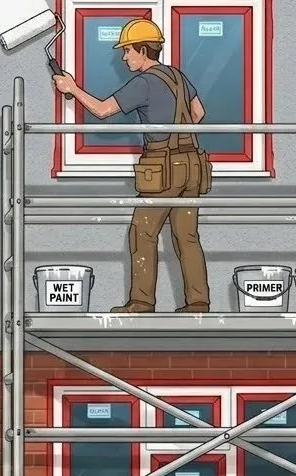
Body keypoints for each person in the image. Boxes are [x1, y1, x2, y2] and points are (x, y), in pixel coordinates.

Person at [52, 19, 211, 314]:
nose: (124, 58)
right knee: (187, 236)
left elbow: (102, 110)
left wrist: (72, 88)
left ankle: (140, 302)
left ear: (143, 50)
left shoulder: (145, 82)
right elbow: (198, 112)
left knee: (142, 231)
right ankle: (198, 302)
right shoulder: (176, 76)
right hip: (193, 164)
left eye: (127, 51)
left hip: (164, 165)